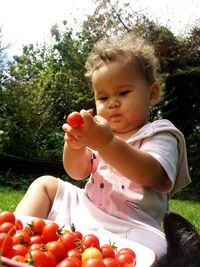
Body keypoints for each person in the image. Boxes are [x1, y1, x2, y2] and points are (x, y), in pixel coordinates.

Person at [15, 33, 191, 258]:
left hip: (133, 228)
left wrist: (106, 143)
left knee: (157, 250)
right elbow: (77, 173)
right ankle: (17, 239)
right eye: (103, 97)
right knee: (45, 185)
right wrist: (76, 146)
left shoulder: (161, 132)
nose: (113, 103)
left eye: (124, 92)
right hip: (87, 210)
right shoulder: (99, 132)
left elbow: (151, 174)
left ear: (152, 94)